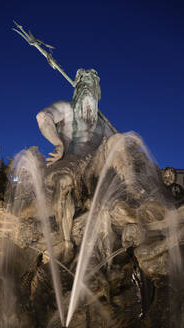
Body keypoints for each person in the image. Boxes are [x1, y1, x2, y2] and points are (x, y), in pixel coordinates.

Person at [36, 68, 124, 260]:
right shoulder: (67, 109)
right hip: (70, 162)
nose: (86, 88)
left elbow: (118, 146)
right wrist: (57, 143)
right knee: (64, 181)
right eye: (82, 84)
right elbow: (43, 117)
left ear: (97, 93)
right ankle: (66, 241)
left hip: (95, 169)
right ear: (76, 89)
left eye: (91, 85)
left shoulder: (102, 123)